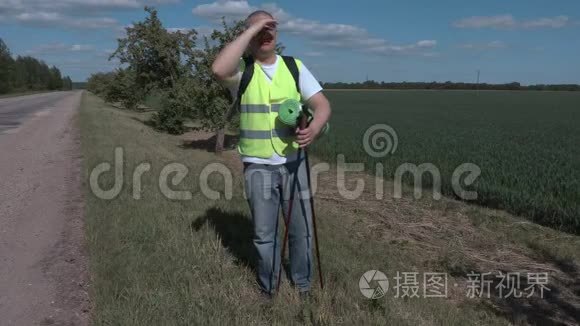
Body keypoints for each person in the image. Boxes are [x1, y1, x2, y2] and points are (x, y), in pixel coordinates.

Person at [212, 10, 332, 298]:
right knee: (265, 236)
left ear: (277, 34)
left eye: (270, 30)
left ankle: (302, 285)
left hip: (294, 164)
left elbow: (322, 105)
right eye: (258, 31)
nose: (266, 35)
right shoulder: (241, 71)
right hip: (258, 166)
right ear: (250, 36)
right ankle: (270, 288)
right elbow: (217, 69)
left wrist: (313, 129)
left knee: (301, 232)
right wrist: (251, 29)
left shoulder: (294, 67)